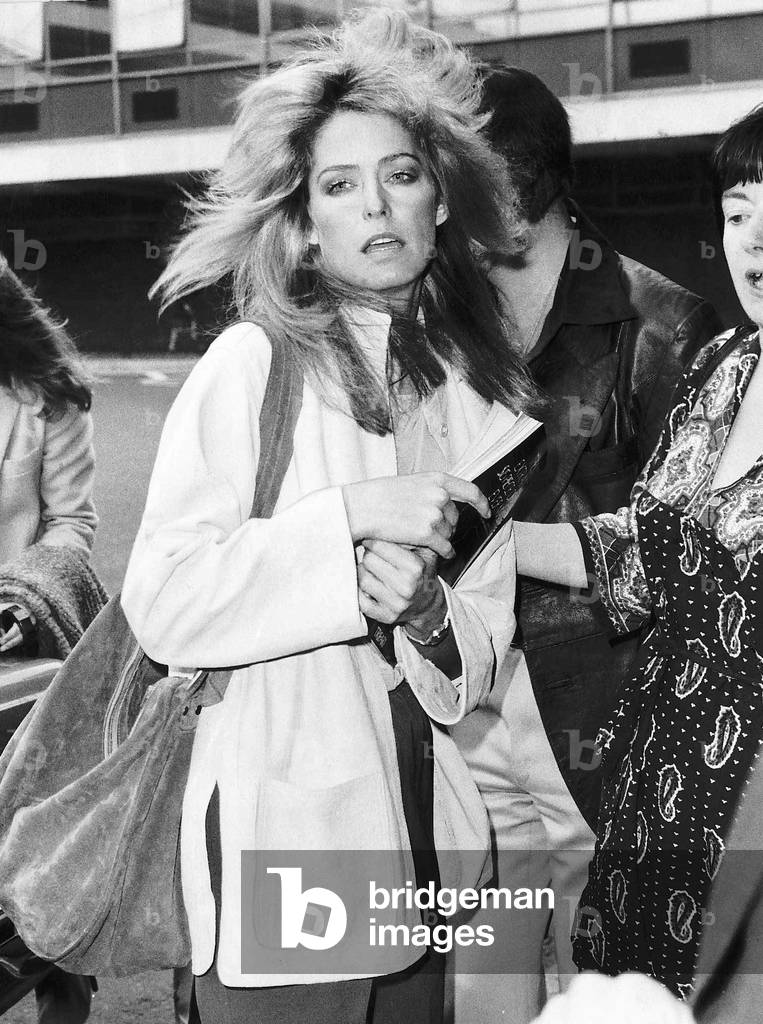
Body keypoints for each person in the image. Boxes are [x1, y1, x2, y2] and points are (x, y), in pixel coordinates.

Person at [121, 12, 536, 1024]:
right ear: (303, 222)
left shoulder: (475, 402)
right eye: (339, 186)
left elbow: (479, 656)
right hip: (290, 830)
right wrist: (345, 525)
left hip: (426, 839)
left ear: (440, 198)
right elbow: (165, 600)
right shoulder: (251, 365)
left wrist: (428, 614)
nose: (376, 206)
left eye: (400, 174)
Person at [448, 67, 722, 1021]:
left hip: (603, 704)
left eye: (455, 182)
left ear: (515, 190)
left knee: (602, 973)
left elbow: (684, 563)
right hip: (465, 687)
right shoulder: (442, 322)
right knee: (479, 964)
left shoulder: (668, 328)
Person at [510, 102, 763, 1001]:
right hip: (655, 794)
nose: (754, 239)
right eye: (737, 212)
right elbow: (643, 553)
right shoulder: (724, 367)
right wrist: (483, 543)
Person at [0, 257, 99, 1021]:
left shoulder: (46, 399)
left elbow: (72, 522)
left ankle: (58, 969)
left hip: (16, 648)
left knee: (27, 841)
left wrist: (22, 597)